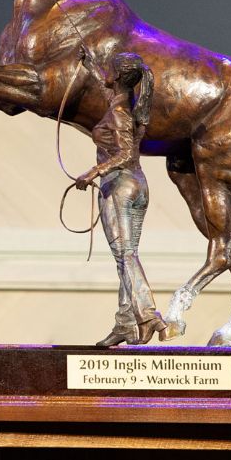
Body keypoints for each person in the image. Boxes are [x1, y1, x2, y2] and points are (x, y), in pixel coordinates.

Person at [73, 50, 162, 346]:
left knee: (125, 256)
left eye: (109, 69)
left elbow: (125, 153)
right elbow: (105, 87)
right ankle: (126, 323)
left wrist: (93, 172)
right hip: (137, 185)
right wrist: (89, 65)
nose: (106, 73)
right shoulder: (127, 103)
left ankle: (148, 315)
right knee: (127, 257)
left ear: (119, 75)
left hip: (120, 185)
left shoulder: (120, 113)